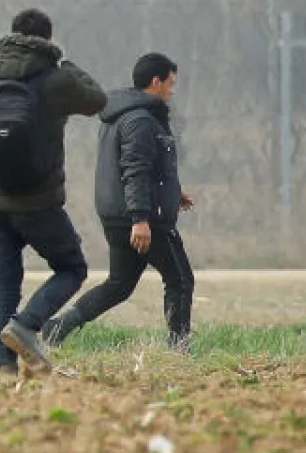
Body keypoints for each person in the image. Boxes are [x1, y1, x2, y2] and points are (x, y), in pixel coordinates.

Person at [0, 8, 105, 374]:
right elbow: (97, 100)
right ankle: (27, 324)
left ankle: (3, 366)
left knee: (5, 285)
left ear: (10, 35)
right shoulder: (57, 80)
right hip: (38, 200)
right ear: (48, 42)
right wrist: (68, 64)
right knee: (71, 267)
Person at [45, 53, 196, 352]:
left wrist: (174, 192)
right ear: (156, 82)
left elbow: (144, 167)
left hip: (120, 215)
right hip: (142, 219)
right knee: (180, 279)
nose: (173, 90)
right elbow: (135, 170)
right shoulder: (141, 120)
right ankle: (180, 349)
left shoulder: (121, 115)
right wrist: (140, 218)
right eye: (171, 83)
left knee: (119, 286)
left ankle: (55, 329)